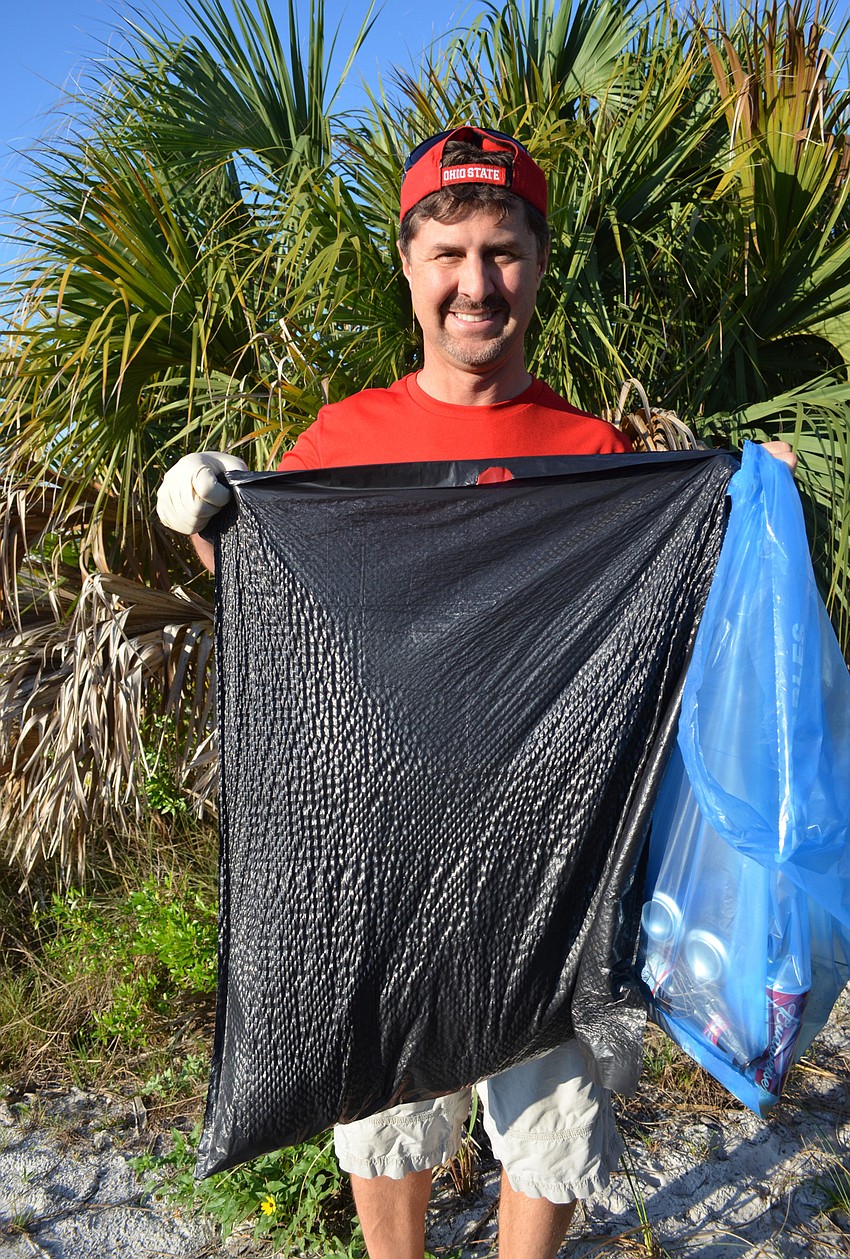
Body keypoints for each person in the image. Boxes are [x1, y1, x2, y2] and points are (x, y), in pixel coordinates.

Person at [157, 126, 797, 1259]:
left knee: (554, 1120)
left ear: (537, 264)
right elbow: (280, 610)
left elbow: (673, 629)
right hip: (374, 847)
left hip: (554, 850)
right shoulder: (340, 442)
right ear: (409, 265)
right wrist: (220, 527)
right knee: (383, 1111)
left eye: (501, 251)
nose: (475, 282)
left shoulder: (596, 455)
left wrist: (750, 515)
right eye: (448, 253)